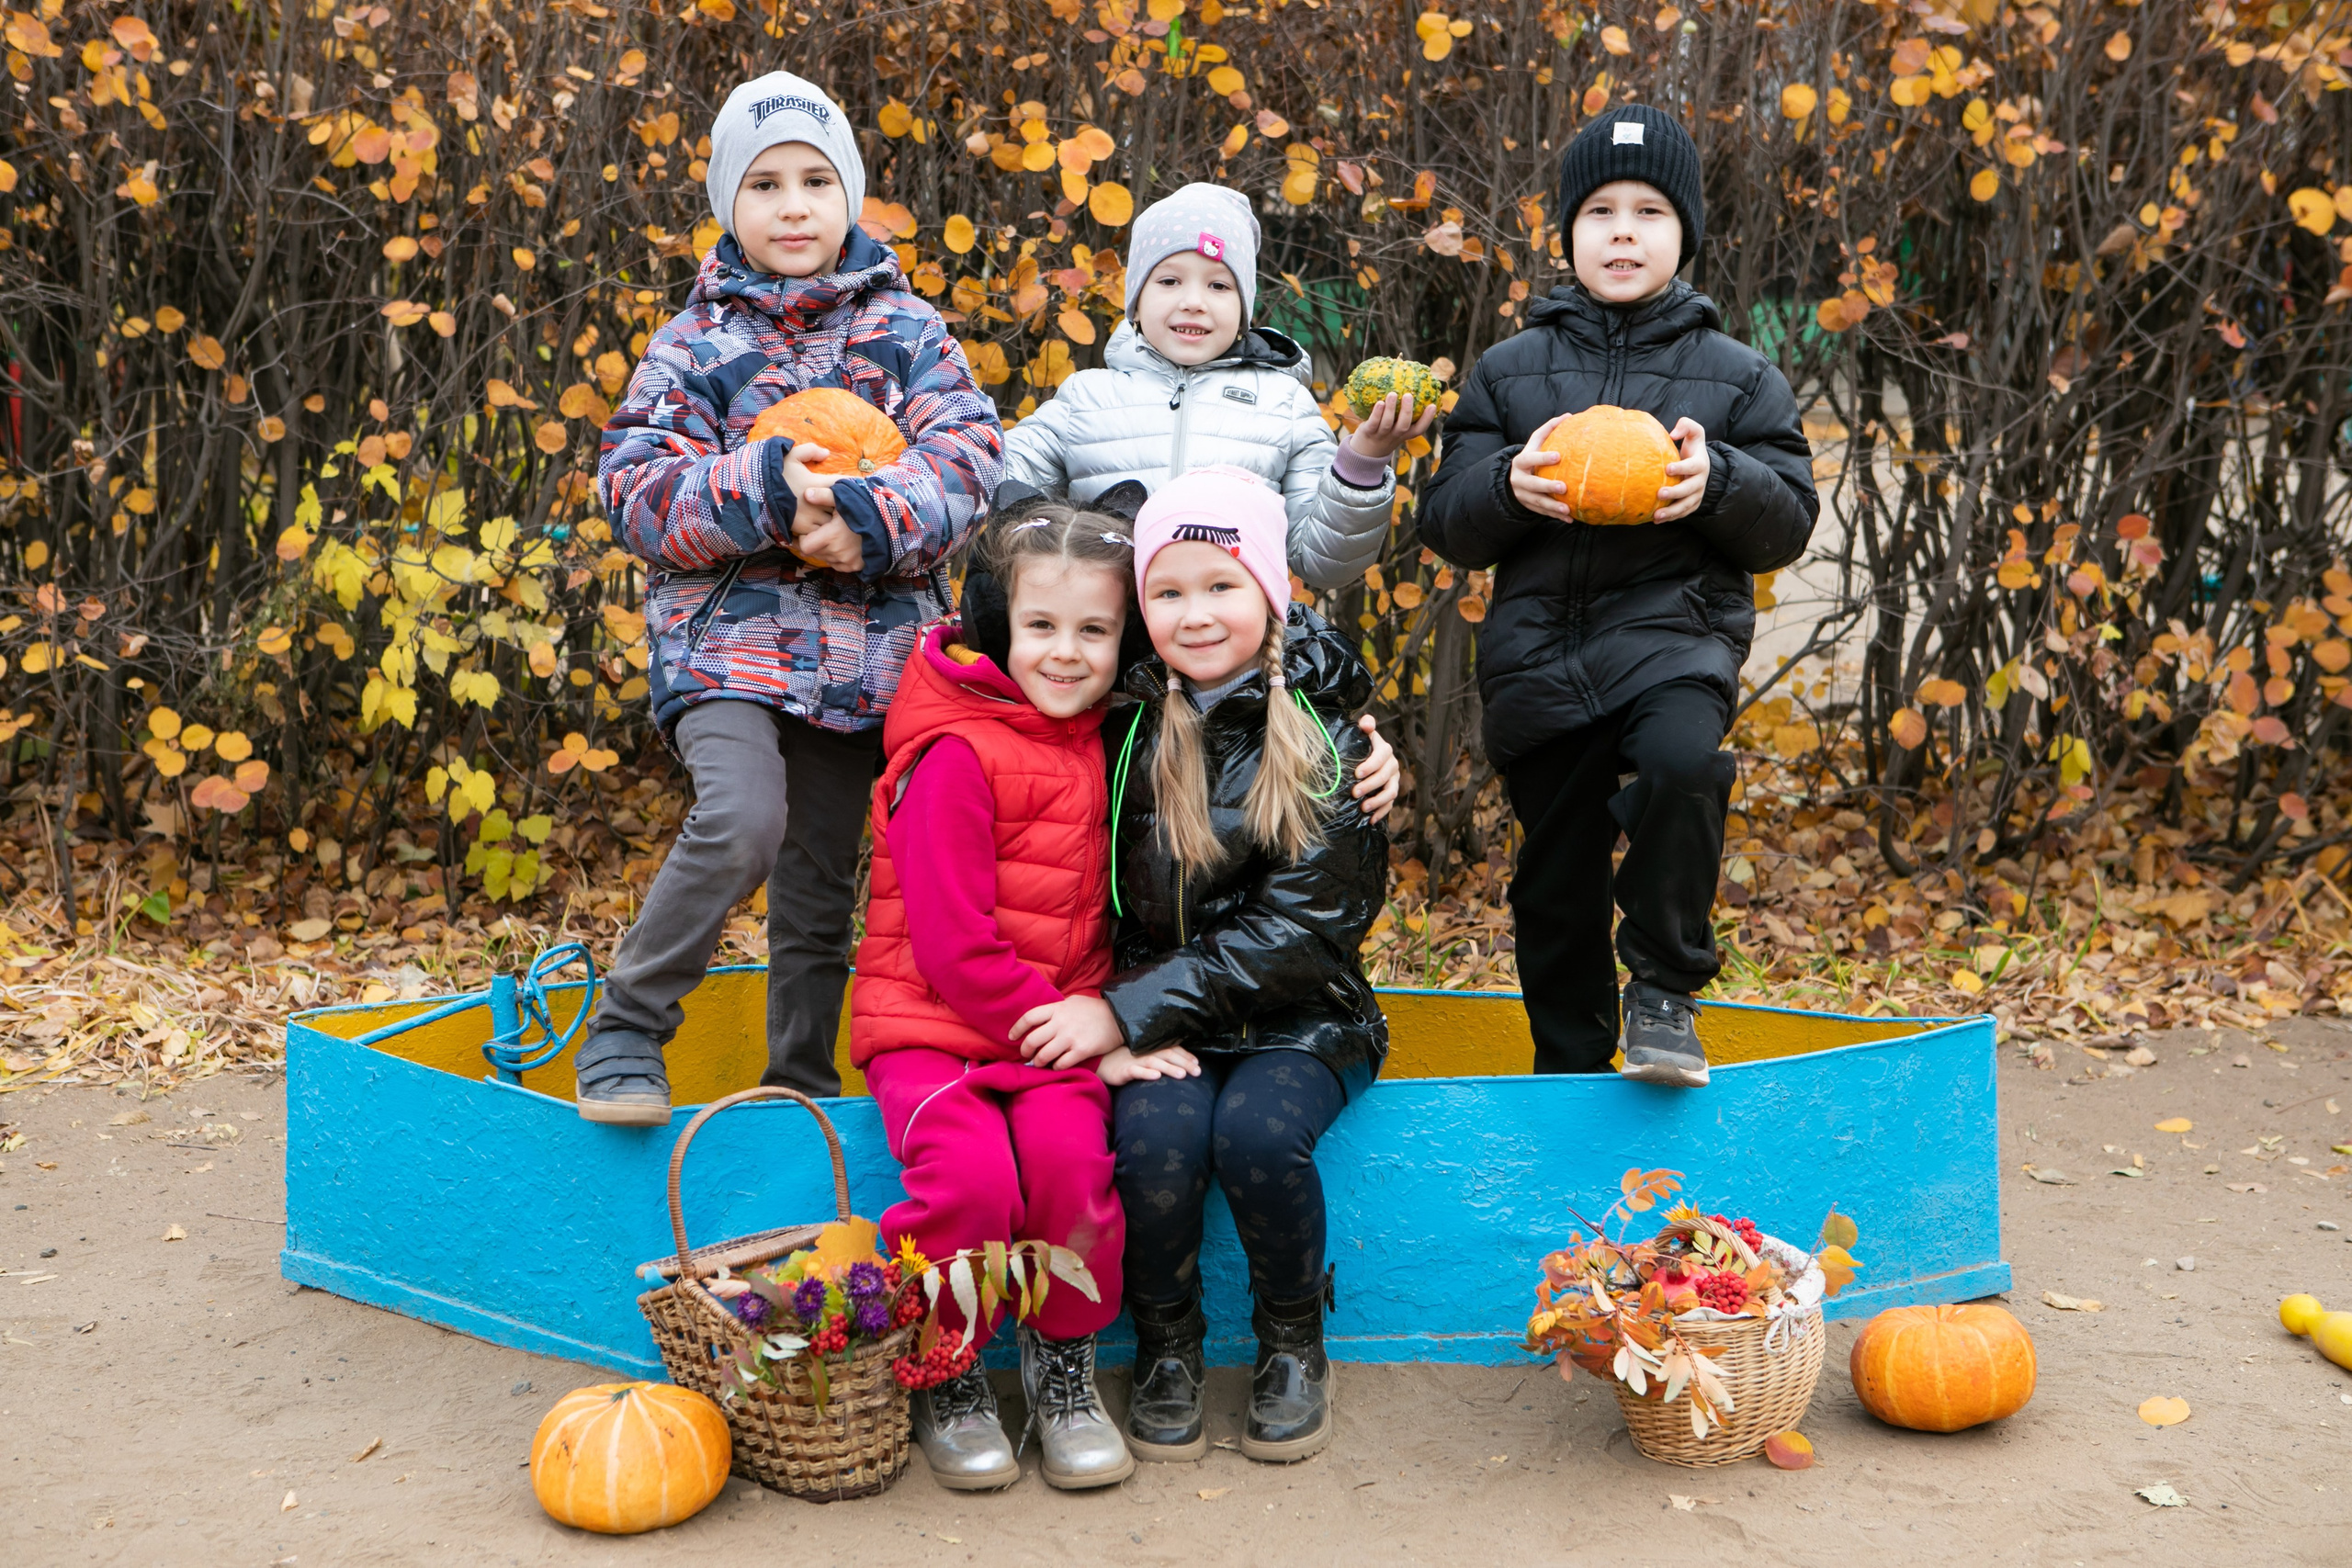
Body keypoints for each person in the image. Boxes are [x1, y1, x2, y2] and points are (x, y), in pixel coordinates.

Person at [582, 72, 1002, 1122]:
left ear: (849, 196)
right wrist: (769, 488)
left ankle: (799, 1091)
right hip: (729, 646)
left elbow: (970, 463)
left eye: (817, 180)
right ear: (731, 207)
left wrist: (863, 513)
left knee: (821, 886)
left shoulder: (908, 333)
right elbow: (636, 488)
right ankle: (628, 1025)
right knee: (740, 822)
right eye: (763, 185)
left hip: (870, 660)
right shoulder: (694, 346)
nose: (794, 205)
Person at [1418, 104, 1818, 1088]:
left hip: (1671, 642)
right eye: (1599, 211)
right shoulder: (1509, 373)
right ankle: (1568, 1066)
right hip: (1540, 662)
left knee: (1684, 765)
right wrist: (1507, 482)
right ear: (1567, 234)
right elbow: (1447, 520)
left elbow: (1789, 521)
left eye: (1648, 211)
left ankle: (1665, 990)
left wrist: (1716, 481)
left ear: (1685, 233)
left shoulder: (1738, 378)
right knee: (1553, 886)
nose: (1624, 232)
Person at [1053, 467, 1389, 1466]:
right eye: (1167, 591)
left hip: (1307, 1015)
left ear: (1273, 595)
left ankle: (1293, 1340)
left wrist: (1123, 1015)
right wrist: (1132, 1017)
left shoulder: (1325, 741)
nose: (1194, 615)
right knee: (1157, 1141)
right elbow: (1010, 629)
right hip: (1169, 1022)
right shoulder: (1121, 728)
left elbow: (1303, 931)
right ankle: (1166, 1346)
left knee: (1255, 1135)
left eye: (1221, 586)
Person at [852, 509, 1148, 1493]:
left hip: (1045, 1028)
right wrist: (1096, 1042)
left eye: (1094, 632)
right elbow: (951, 948)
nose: (1066, 655)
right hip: (933, 1029)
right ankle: (951, 1369)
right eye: (1041, 628)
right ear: (996, 625)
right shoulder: (953, 753)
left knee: (1072, 1173)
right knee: (972, 1183)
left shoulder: (1111, 737)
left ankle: (1064, 1368)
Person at [999, 181, 1431, 589]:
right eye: (1169, 281)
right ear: (1136, 301)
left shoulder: (1285, 407)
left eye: (1219, 285)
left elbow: (1323, 560)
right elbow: (994, 481)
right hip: (1109, 643)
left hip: (1228, 649)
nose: (1193, 301)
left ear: (1243, 310)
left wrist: (1365, 460)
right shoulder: (1085, 399)